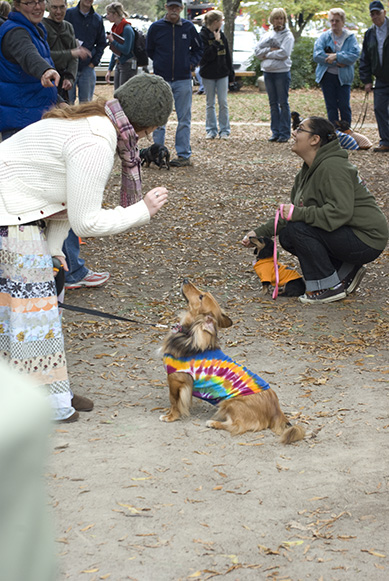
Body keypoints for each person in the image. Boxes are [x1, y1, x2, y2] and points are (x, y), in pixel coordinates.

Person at [0, 73, 174, 422]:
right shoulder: (96, 140)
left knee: (44, 307)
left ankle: (49, 387)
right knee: (32, 317)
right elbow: (86, 221)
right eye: (153, 128)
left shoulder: (95, 121)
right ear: (145, 125)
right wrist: (142, 211)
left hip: (22, 212)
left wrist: (54, 253)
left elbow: (63, 198)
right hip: (10, 216)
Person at [242, 117, 388, 304]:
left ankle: (327, 287)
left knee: (297, 230)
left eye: (300, 129)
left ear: (314, 139)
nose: (294, 133)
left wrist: (298, 214)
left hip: (367, 239)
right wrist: (260, 233)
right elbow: (291, 215)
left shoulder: (333, 167)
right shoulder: (308, 170)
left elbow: (340, 212)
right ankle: (345, 270)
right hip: (349, 234)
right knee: (288, 234)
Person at [146, 0, 202, 167]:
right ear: (166, 8)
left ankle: (183, 154)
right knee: (159, 118)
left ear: (181, 9)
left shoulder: (188, 27)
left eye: (177, 7)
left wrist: (190, 63)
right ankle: (157, 153)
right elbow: (149, 49)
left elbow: (199, 48)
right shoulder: (156, 28)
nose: (174, 10)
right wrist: (159, 63)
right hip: (161, 79)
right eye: (171, 7)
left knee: (184, 118)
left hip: (183, 78)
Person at [0, 0, 60, 141]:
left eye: (40, 1)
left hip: (34, 119)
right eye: (30, 2)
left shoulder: (34, 29)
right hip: (21, 126)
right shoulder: (16, 32)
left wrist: (59, 100)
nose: (37, 6)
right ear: (17, 5)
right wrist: (45, 70)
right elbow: (28, 54)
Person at [313, 8, 360, 127]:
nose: (334, 23)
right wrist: (336, 62)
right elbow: (317, 55)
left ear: (343, 22)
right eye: (332, 20)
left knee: (344, 105)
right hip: (327, 76)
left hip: (344, 78)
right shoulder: (324, 36)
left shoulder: (350, 37)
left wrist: (335, 56)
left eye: (337, 21)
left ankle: (346, 131)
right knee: (331, 106)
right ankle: (334, 133)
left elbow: (354, 56)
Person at [254, 7, 294, 143]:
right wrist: (270, 50)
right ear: (271, 20)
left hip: (281, 73)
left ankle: (284, 132)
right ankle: (275, 132)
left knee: (283, 103)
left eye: (281, 18)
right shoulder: (267, 35)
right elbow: (257, 52)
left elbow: (284, 53)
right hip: (268, 72)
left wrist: (266, 54)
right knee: (273, 104)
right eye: (276, 18)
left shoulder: (288, 36)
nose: (279, 21)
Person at [43, 0, 91, 102]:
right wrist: (71, 53)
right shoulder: (41, 27)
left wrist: (70, 77)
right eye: (54, 7)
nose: (59, 11)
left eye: (62, 7)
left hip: (63, 84)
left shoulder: (68, 27)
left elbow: (74, 57)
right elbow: (42, 56)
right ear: (47, 7)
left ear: (66, 6)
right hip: (46, 82)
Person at [199, 9, 234, 140]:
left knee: (223, 102)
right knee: (210, 103)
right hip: (208, 74)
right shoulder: (202, 35)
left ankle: (225, 130)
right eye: (221, 21)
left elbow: (227, 56)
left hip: (222, 73)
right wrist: (215, 42)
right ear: (215, 22)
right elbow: (205, 57)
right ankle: (211, 130)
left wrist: (231, 74)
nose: (222, 23)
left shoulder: (222, 35)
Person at [359, 1, 389, 153]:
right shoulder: (369, 33)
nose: (375, 16)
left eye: (378, 12)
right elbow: (365, 58)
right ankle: (386, 141)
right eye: (373, 14)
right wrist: (366, 80)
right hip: (381, 79)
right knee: (379, 109)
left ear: (384, 12)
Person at [64, 0, 106, 104]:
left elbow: (101, 43)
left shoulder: (97, 19)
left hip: (87, 68)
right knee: (67, 103)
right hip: (68, 68)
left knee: (86, 105)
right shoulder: (68, 14)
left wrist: (93, 63)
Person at [105, 2, 136, 89]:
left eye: (108, 14)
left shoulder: (127, 29)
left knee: (124, 93)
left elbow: (126, 50)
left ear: (115, 14)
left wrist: (113, 41)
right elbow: (115, 51)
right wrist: (110, 69)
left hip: (128, 64)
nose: (107, 16)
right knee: (117, 93)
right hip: (119, 63)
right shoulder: (116, 29)